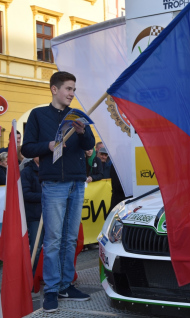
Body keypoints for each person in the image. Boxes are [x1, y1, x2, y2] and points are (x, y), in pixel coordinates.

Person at [21, 71, 95, 313]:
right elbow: (27, 147)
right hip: (53, 183)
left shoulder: (77, 116)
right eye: (68, 89)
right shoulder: (38, 115)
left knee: (70, 238)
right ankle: (51, 290)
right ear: (54, 89)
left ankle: (65, 284)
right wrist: (49, 145)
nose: (72, 93)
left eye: (74, 90)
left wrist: (83, 132)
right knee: (53, 239)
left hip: (76, 181)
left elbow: (89, 145)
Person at [21, 157, 44, 276]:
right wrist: (45, 196)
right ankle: (31, 277)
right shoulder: (26, 172)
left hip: (49, 213)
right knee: (36, 247)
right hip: (35, 216)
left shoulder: (48, 168)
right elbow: (26, 194)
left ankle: (44, 276)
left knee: (52, 246)